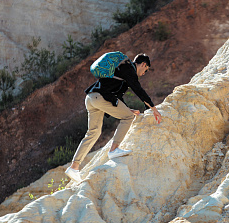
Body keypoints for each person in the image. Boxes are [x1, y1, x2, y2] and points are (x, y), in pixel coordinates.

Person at [65, 53, 162, 183]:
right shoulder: (129, 69)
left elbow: (116, 95)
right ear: (143, 64)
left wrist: (128, 109)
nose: (144, 73)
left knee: (93, 132)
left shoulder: (122, 69)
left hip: (91, 97)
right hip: (100, 98)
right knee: (128, 118)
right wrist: (153, 109)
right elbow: (138, 90)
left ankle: (74, 167)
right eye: (146, 70)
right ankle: (114, 149)